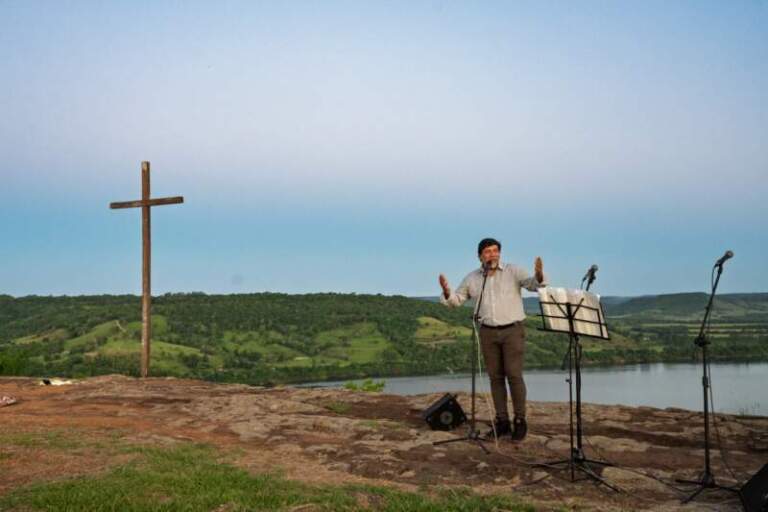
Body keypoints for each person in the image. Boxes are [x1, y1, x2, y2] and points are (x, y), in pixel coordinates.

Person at [439, 238, 545, 442]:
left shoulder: (513, 271)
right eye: (488, 252)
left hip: (512, 330)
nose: (493, 255)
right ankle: (502, 421)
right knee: (495, 377)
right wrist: (446, 291)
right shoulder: (473, 278)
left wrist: (539, 275)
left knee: (514, 375)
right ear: (480, 256)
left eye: (496, 251)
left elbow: (534, 285)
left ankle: (520, 420)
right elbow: (456, 301)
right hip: (487, 331)